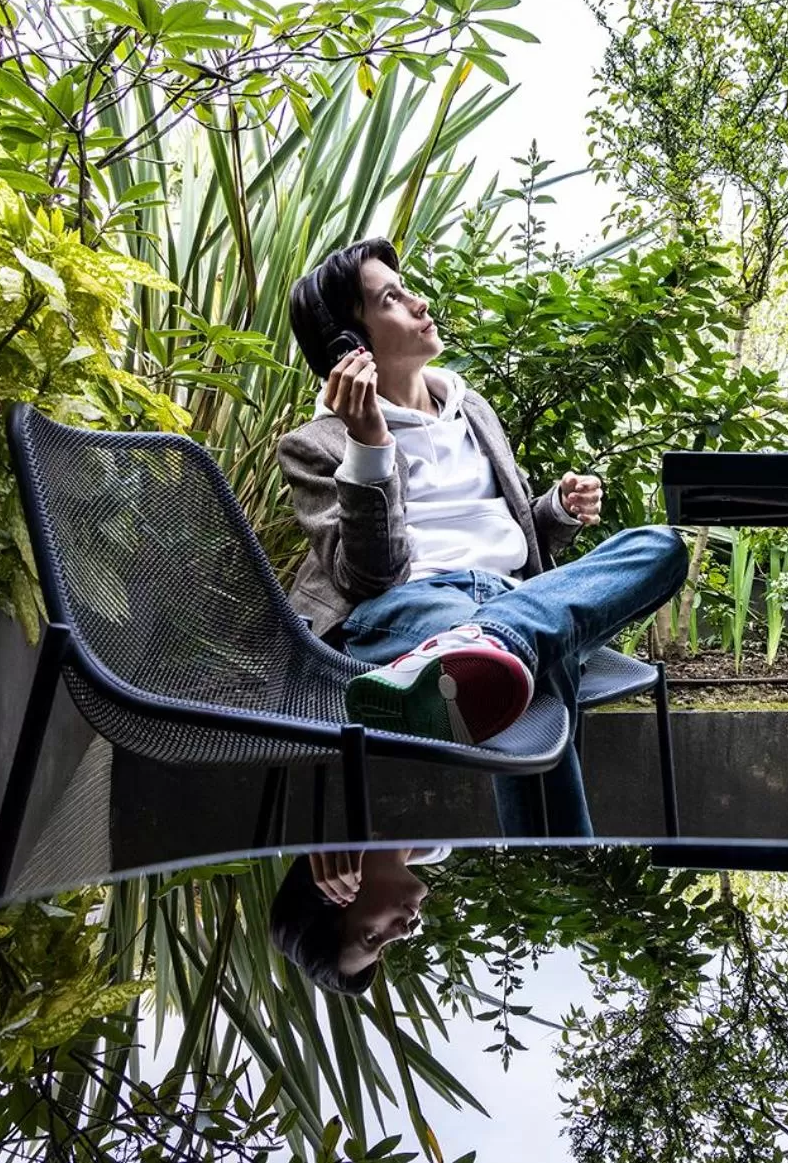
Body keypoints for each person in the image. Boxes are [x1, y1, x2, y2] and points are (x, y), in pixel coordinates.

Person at [277, 236, 689, 836]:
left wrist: (556, 512)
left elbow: (510, 529)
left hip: (507, 597)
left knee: (661, 547)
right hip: (407, 610)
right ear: (352, 346)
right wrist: (368, 444)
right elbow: (370, 576)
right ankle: (554, 881)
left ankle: (494, 645)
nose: (419, 303)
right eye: (391, 298)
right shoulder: (316, 445)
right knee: (541, 653)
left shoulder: (474, 413)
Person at [269, 848, 439, 996]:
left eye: (371, 937)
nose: (404, 932)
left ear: (336, 887)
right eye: (382, 948)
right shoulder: (439, 847)